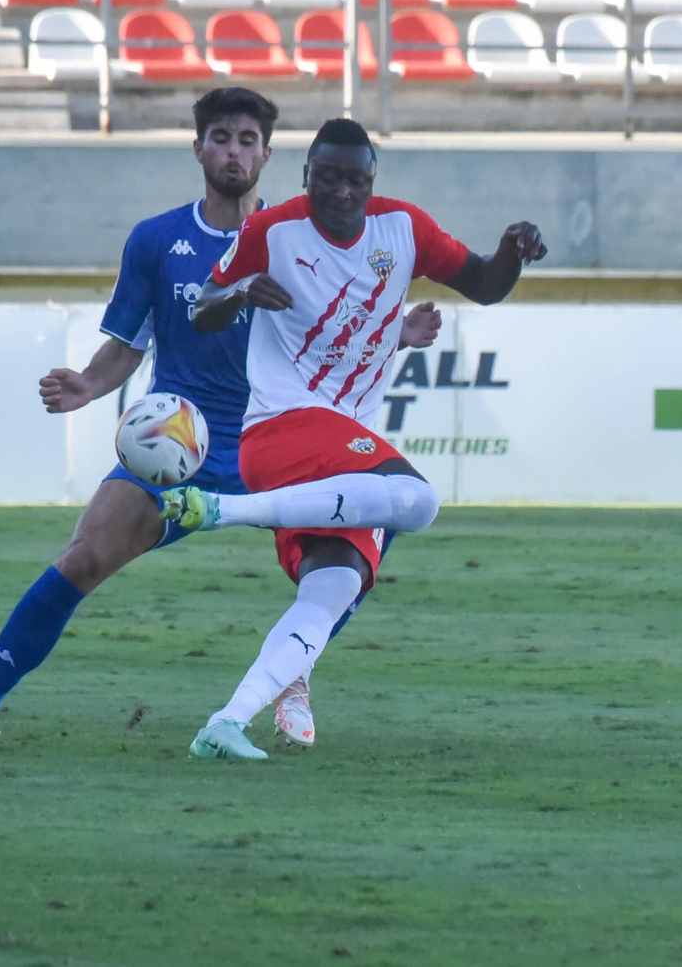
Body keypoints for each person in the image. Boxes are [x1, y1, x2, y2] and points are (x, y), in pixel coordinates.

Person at [0, 90, 440, 754]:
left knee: (360, 545)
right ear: (198, 148)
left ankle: (293, 675)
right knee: (83, 557)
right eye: (220, 137)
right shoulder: (160, 239)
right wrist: (88, 383)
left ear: (268, 155)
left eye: (248, 139)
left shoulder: (300, 240)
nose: (234, 151)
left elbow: (339, 337)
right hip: (181, 444)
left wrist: (397, 333)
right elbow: (127, 344)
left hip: (284, 443)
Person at [159, 117, 546, 760]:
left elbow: (483, 283)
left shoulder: (404, 228)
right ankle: (221, 510)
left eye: (356, 180)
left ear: (372, 182)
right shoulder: (271, 229)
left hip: (344, 450)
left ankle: (226, 723)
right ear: (307, 175)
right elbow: (202, 308)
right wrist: (242, 291)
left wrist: (511, 251)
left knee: (331, 590)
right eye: (329, 178)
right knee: (418, 501)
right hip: (283, 429)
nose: (342, 192)